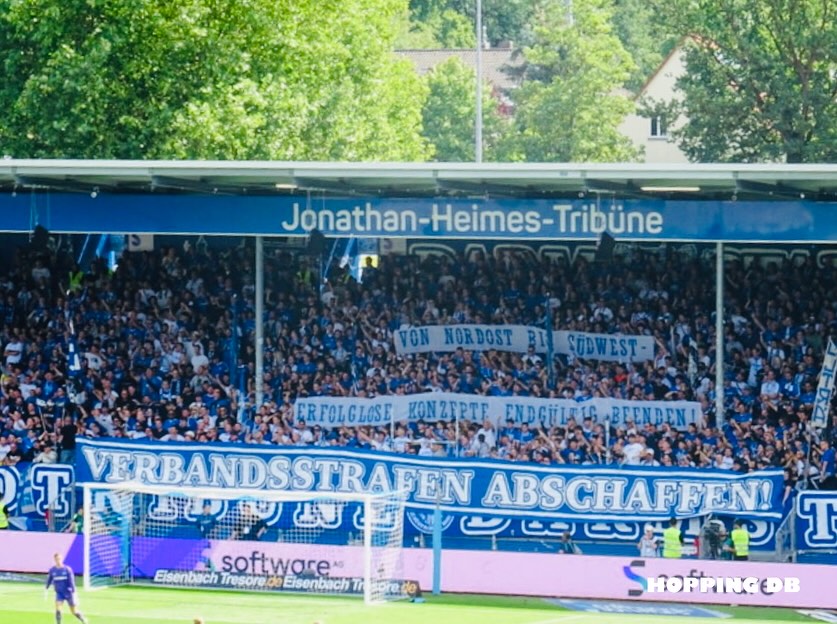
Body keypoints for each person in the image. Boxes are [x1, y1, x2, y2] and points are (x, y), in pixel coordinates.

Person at [46, 552, 88, 623]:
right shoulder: (52, 570)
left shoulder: (67, 569)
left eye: (59, 559)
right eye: (56, 559)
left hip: (68, 593)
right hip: (59, 593)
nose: (58, 561)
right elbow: (50, 579)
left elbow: (72, 581)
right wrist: (46, 587)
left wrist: (74, 592)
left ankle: (83, 619)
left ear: (61, 559)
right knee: (58, 609)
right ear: (54, 560)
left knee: (74, 611)